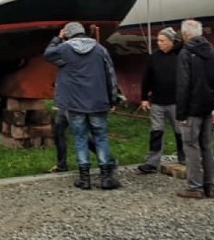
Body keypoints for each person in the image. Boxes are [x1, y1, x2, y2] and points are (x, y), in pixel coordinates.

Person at [44, 21, 120, 190]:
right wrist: (113, 99)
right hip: (97, 102)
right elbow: (110, 75)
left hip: (74, 103)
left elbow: (48, 54)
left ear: (68, 34)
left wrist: (58, 38)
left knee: (80, 138)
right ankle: (106, 178)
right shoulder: (100, 50)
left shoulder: (64, 50)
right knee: (101, 138)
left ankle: (84, 179)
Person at [175, 19, 214, 199]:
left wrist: (181, 112)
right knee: (207, 146)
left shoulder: (185, 53)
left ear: (185, 35)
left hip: (191, 108)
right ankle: (209, 185)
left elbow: (183, 84)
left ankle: (194, 187)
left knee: (191, 146)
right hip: (207, 105)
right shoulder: (212, 52)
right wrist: (211, 99)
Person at [138, 27, 184, 174]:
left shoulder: (180, 55)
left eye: (162, 41)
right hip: (157, 101)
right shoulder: (154, 57)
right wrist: (144, 98)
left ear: (171, 42)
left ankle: (184, 157)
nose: (159, 43)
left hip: (176, 101)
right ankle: (152, 162)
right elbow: (147, 78)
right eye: (158, 40)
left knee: (180, 131)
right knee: (156, 132)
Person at [48, 108, 99, 173]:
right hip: (63, 105)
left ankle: (107, 159)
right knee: (57, 132)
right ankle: (61, 165)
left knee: (82, 135)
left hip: (73, 105)